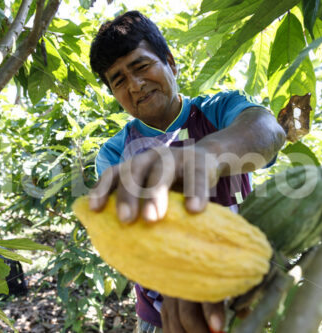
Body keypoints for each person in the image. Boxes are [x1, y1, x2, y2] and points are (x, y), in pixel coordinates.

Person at [88, 10, 285, 333]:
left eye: (141, 66)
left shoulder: (219, 110)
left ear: (170, 61)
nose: (135, 86)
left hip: (246, 300)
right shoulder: (115, 152)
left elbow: (267, 131)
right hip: (166, 316)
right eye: (119, 80)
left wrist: (207, 155)